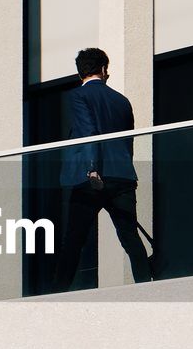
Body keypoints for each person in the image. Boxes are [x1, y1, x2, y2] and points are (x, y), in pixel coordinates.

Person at [53, 47, 152, 290]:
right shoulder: (122, 101)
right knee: (130, 237)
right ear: (104, 69)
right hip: (121, 176)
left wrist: (92, 168)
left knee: (74, 239)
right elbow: (128, 141)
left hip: (90, 178)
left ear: (80, 74)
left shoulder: (78, 96)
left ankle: (56, 294)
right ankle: (147, 287)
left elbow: (88, 132)